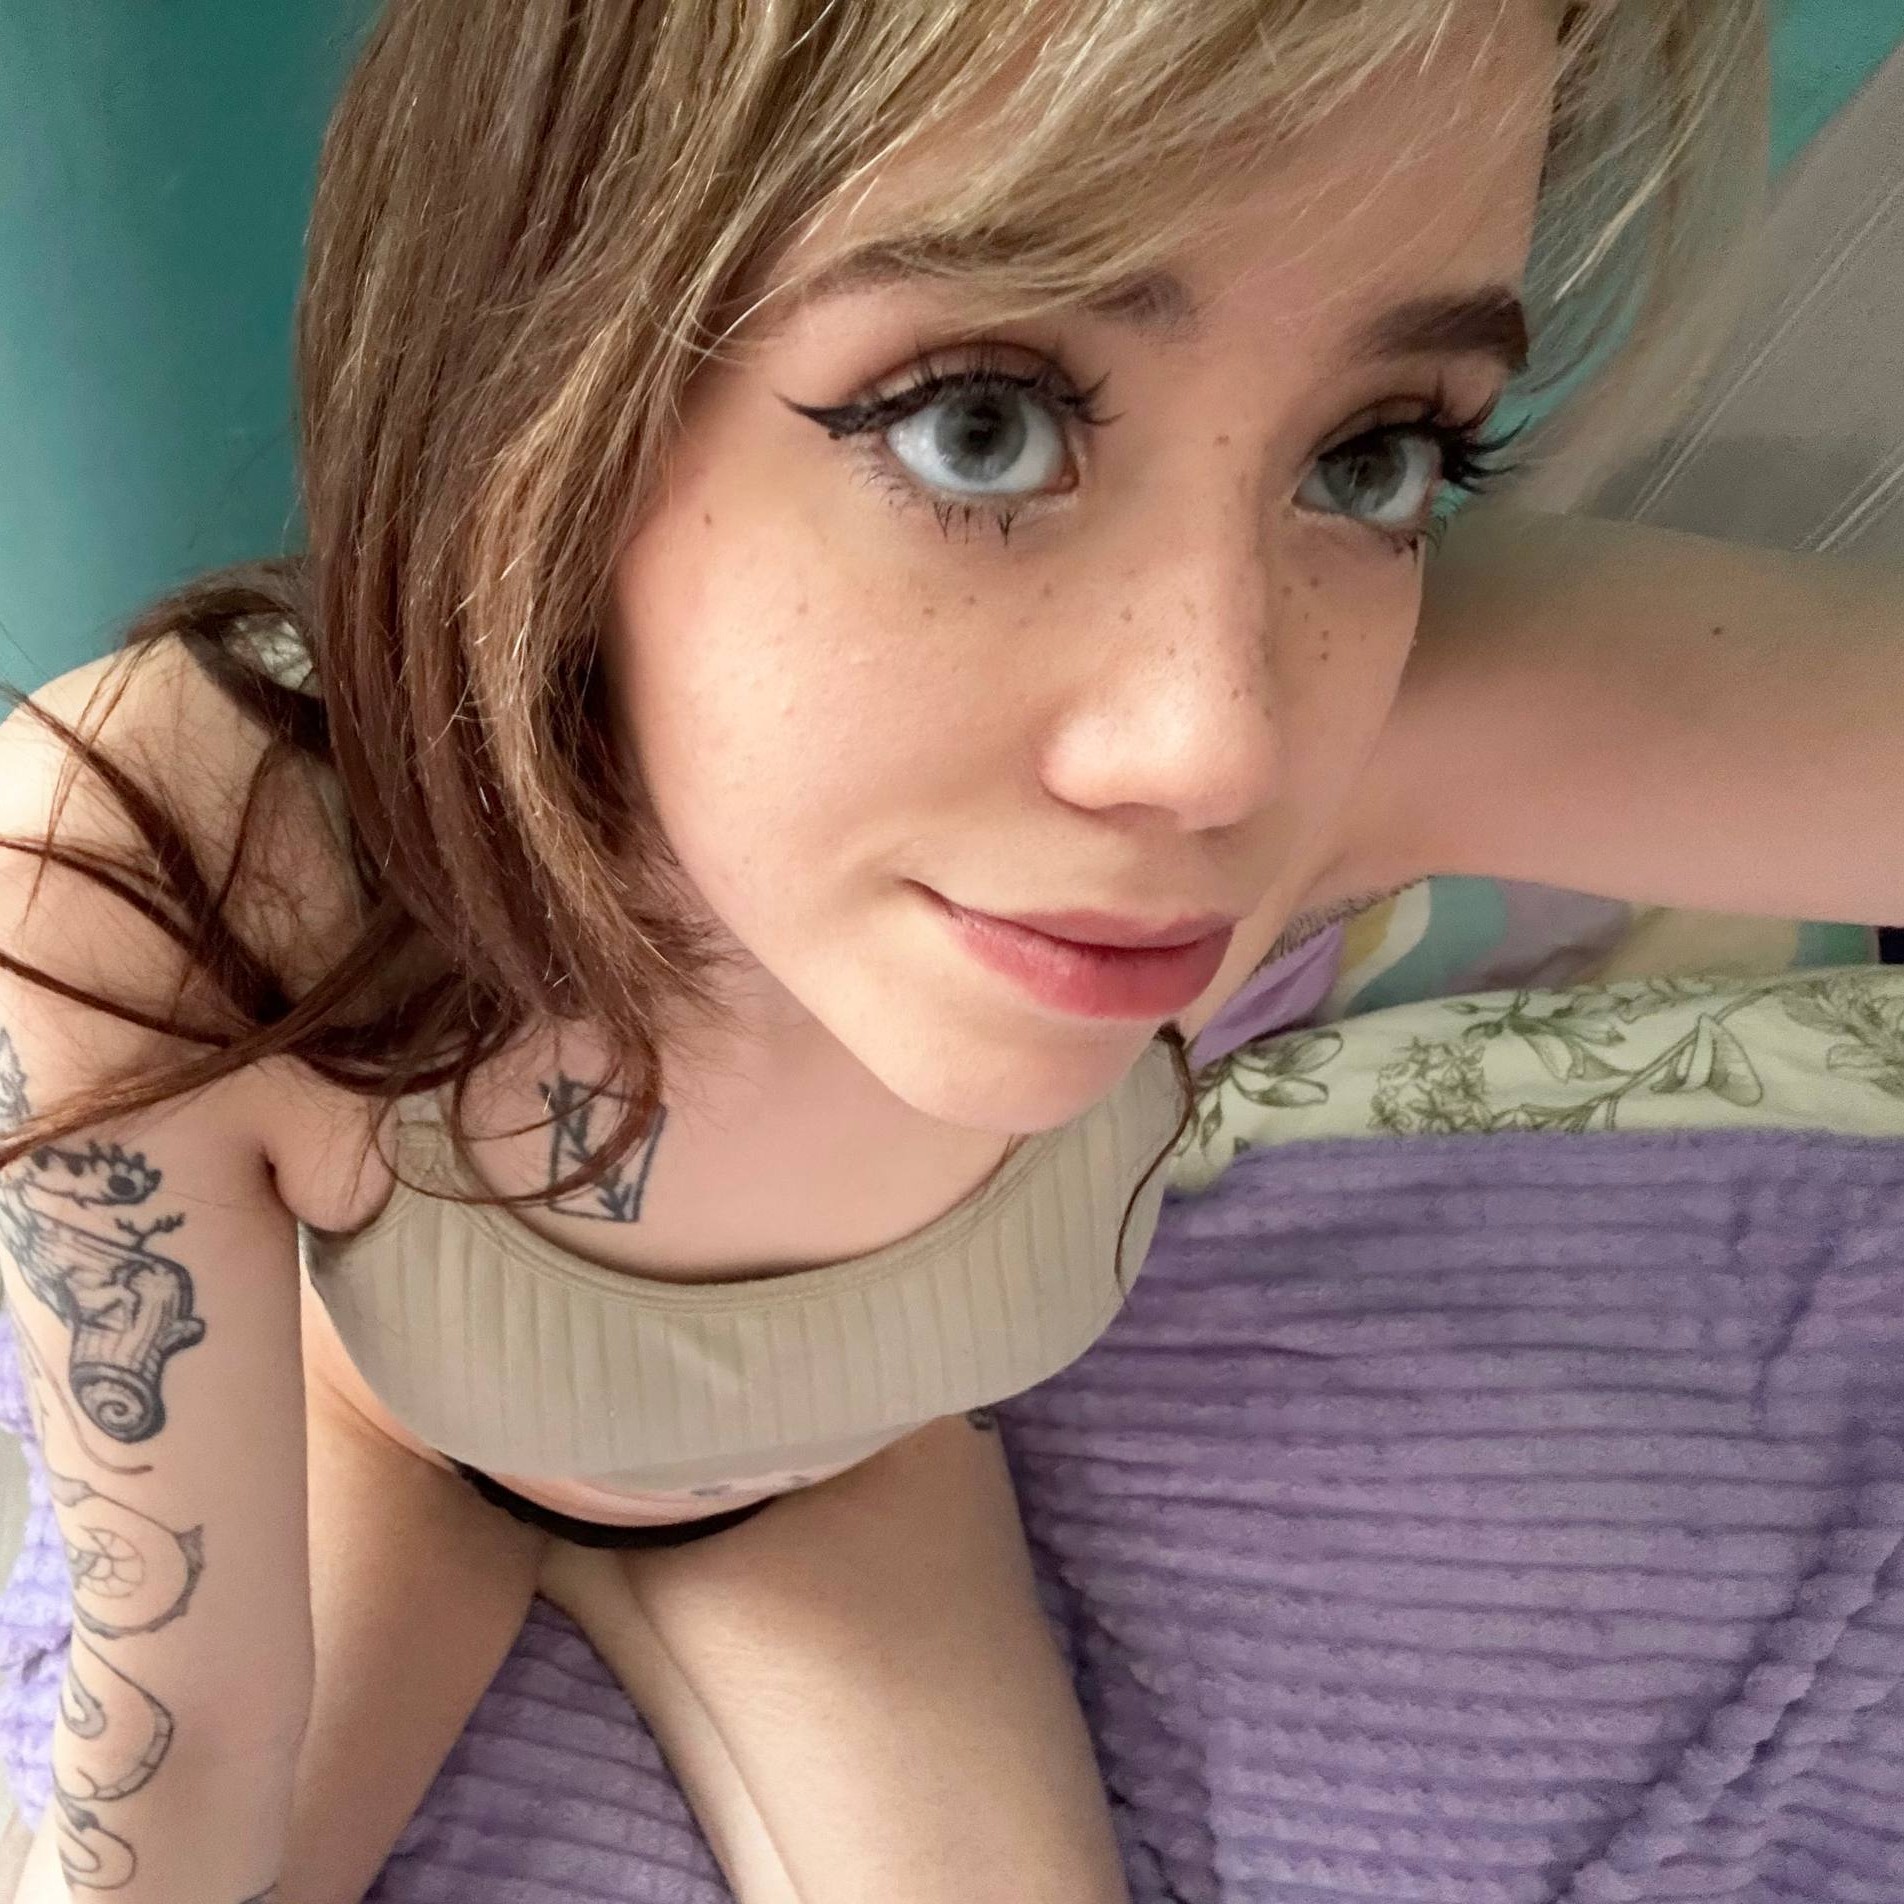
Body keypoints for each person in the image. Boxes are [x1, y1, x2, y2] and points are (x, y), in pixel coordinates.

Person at [0, 1, 1898, 1899]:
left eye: (1377, 458)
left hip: (854, 1474)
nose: (1221, 752)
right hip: (384, 1448)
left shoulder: (1367, 729)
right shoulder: (188, 868)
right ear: (535, 361)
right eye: (980, 422)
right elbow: (174, 1745)